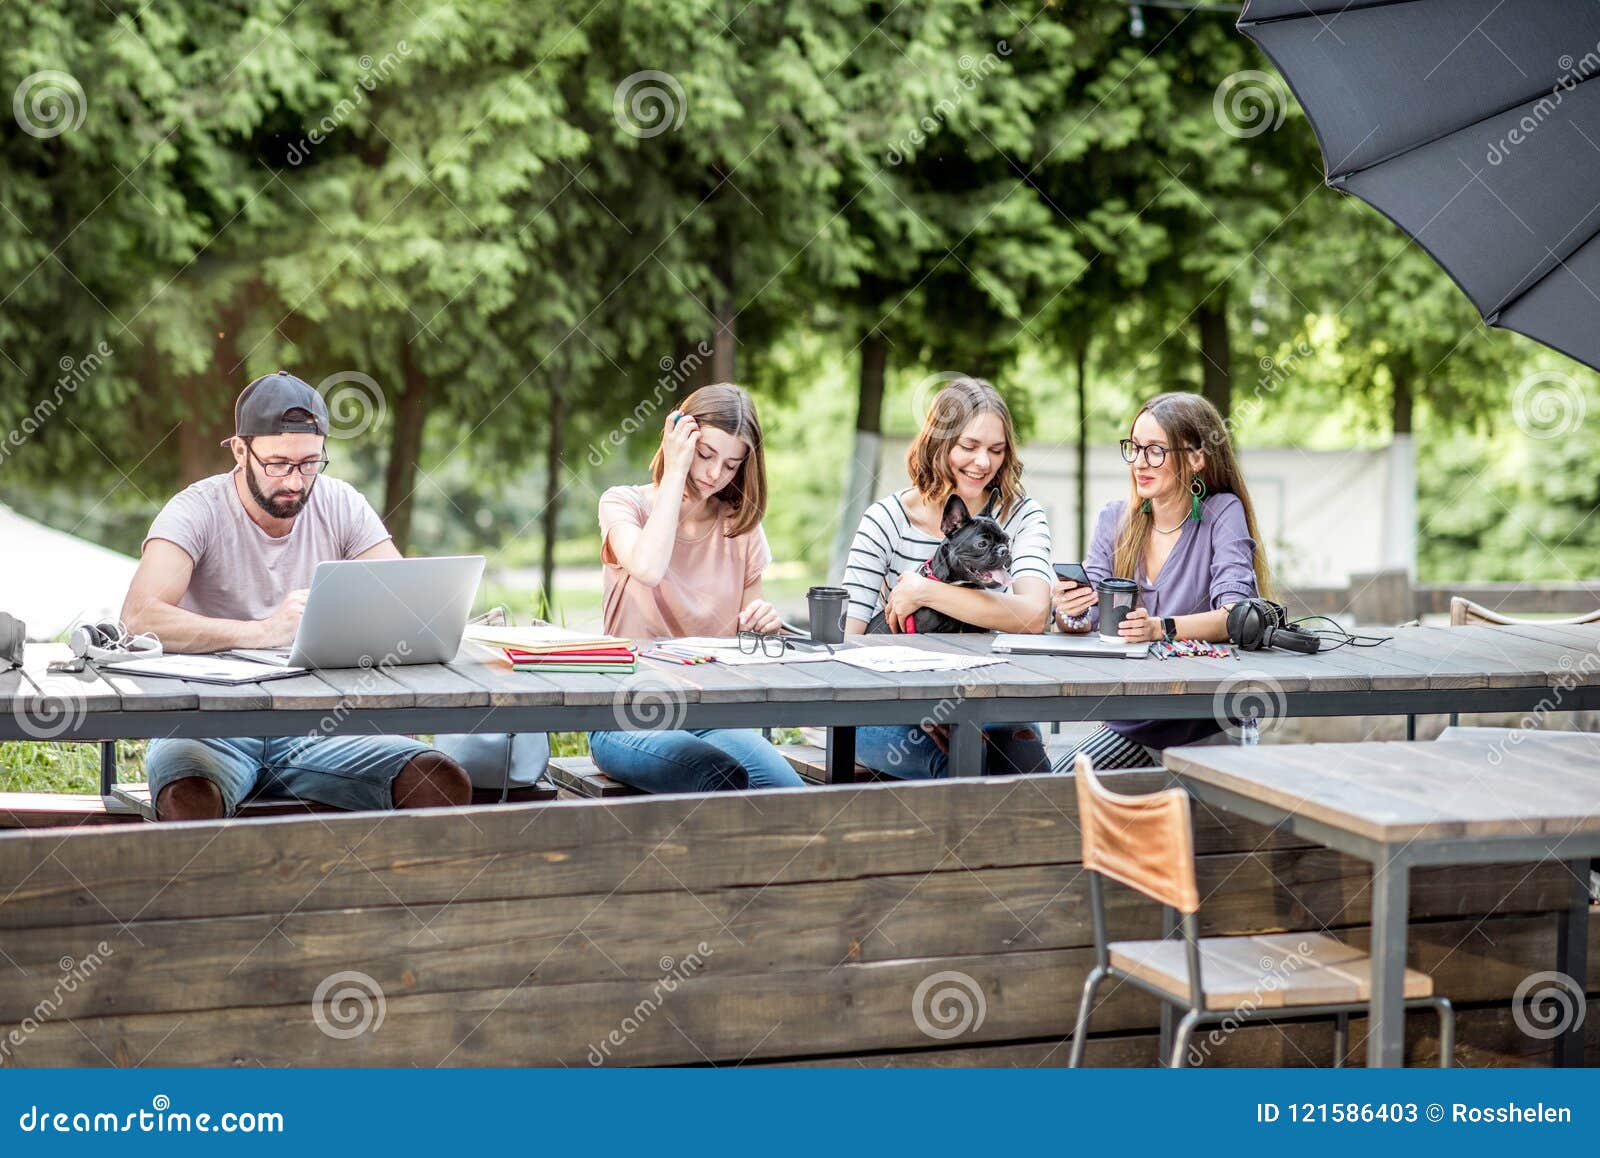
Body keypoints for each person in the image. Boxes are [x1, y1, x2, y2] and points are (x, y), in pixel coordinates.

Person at [121, 372, 472, 820]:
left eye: (309, 463)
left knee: (440, 781)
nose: (294, 481)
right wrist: (263, 632)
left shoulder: (340, 502)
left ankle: (382, 892)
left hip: (326, 726)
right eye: (278, 464)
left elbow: (406, 603)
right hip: (208, 727)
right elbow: (138, 617)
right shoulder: (195, 509)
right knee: (188, 799)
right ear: (240, 450)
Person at [587, 383, 805, 793]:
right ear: (678, 439)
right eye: (705, 455)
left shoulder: (740, 526)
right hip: (625, 712)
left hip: (711, 713)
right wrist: (674, 471)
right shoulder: (623, 504)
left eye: (731, 465)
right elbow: (648, 567)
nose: (713, 474)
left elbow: (746, 637)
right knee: (717, 776)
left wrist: (762, 623)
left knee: (792, 796)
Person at [842, 377, 1053, 778]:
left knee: (1029, 772)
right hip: (887, 707)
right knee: (961, 770)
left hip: (989, 700)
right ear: (938, 445)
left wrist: (925, 592)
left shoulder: (1023, 516)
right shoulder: (885, 520)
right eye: (968, 447)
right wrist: (920, 706)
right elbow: (849, 641)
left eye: (996, 449)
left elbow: (1033, 615)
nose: (982, 462)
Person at [1051, 391, 1271, 770]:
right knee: (1049, 784)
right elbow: (1087, 618)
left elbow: (1237, 616)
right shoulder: (1116, 519)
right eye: (1134, 448)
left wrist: (1159, 628)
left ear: (1196, 457)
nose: (1139, 462)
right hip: (1135, 717)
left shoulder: (1222, 513)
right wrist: (1069, 613)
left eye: (1155, 450)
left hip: (1202, 719)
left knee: (1056, 785)